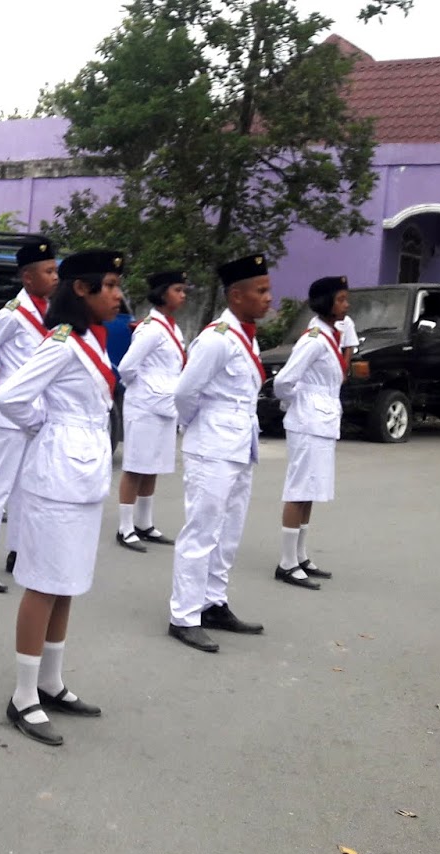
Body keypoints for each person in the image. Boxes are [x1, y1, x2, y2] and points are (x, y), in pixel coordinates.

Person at [0, 250, 122, 746]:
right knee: (44, 583)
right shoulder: (63, 343)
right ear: (82, 289)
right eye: (110, 285)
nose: (118, 295)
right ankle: (24, 696)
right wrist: (47, 427)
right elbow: (11, 396)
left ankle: (50, 682)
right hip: (57, 474)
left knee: (66, 582)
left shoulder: (90, 340)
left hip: (82, 474)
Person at [166, 254, 271, 654]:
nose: (268, 298)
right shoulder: (217, 338)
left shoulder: (246, 336)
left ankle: (213, 603)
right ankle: (184, 616)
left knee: (229, 532)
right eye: (261, 291)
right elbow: (184, 392)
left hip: (240, 445)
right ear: (236, 295)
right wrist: (200, 427)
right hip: (212, 447)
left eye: (268, 290)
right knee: (201, 531)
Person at [0, 239, 58, 592]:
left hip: (34, 413)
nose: (55, 277)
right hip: (6, 415)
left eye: (56, 270)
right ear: (28, 278)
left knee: (26, 487)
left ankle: (17, 552)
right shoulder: (11, 315)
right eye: (48, 271)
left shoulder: (51, 312)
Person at [272, 276, 348, 590]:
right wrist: (299, 403)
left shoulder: (330, 334)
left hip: (321, 422)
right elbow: (283, 382)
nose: (346, 304)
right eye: (341, 299)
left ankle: (300, 555)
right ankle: (286, 562)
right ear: (326, 303)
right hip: (308, 422)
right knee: (298, 490)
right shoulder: (314, 339)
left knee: (311, 490)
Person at [113, 268, 187, 552]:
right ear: (162, 293)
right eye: (177, 290)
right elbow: (127, 367)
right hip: (145, 405)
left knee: (152, 465)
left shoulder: (171, 327)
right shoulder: (151, 328)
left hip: (164, 405)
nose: (183, 295)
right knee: (135, 466)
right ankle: (125, 527)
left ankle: (144, 523)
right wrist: (146, 388)